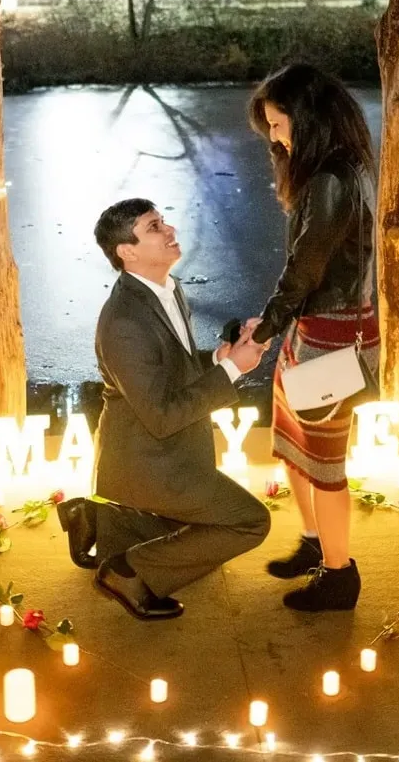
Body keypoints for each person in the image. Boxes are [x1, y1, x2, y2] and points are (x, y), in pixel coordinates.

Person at [56, 199, 268, 621]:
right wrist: (229, 371)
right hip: (150, 461)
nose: (169, 229)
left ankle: (101, 522)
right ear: (127, 251)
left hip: (174, 451)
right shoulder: (123, 323)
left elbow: (171, 367)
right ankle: (125, 570)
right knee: (247, 523)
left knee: (198, 542)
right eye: (154, 226)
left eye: (163, 221)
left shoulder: (166, 288)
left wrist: (217, 359)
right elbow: (162, 415)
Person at [244, 63, 379, 612]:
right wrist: (278, 325)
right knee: (293, 446)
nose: (274, 137)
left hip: (332, 338)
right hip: (320, 330)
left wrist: (265, 328)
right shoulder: (344, 166)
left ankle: (339, 575)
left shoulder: (329, 179)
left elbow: (305, 268)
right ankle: (314, 542)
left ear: (308, 118)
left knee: (325, 466)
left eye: (279, 124)